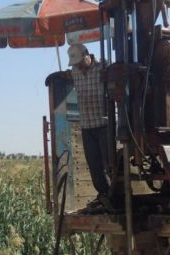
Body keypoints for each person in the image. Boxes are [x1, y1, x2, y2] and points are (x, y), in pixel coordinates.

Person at [67, 42, 112, 211]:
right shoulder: (74, 72)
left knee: (109, 163)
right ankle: (103, 195)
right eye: (75, 64)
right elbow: (66, 76)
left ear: (88, 55)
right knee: (94, 165)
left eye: (79, 62)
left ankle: (115, 195)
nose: (78, 66)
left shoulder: (103, 66)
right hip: (86, 125)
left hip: (104, 124)